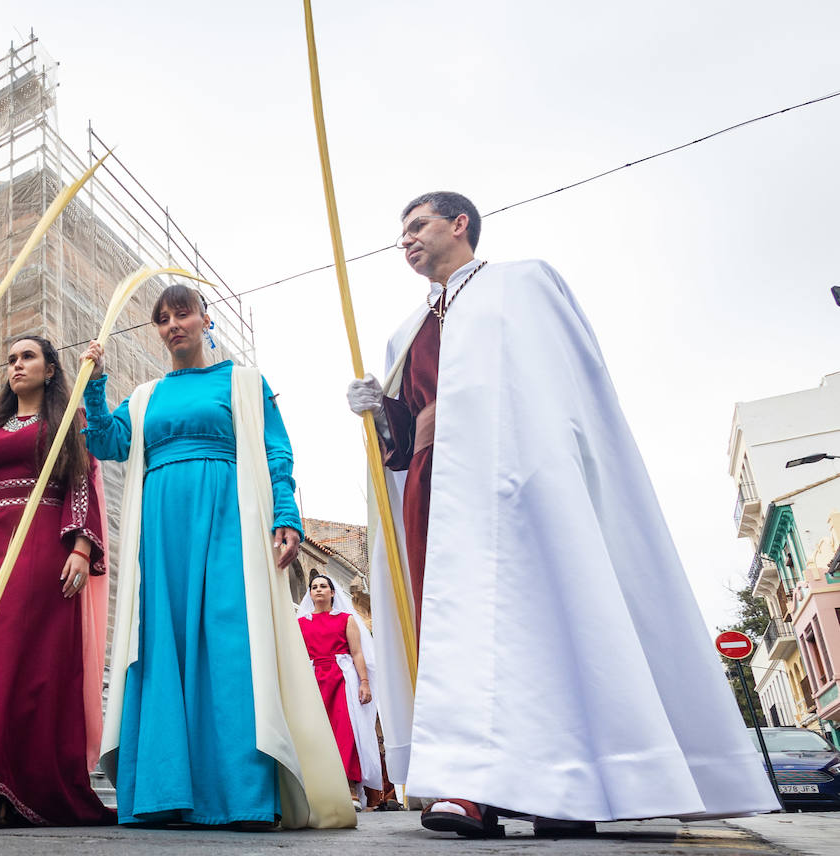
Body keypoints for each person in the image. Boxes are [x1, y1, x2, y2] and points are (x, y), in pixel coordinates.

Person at [346, 191, 780, 837]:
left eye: (418, 225)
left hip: (517, 478)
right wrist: (380, 409)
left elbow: (561, 389)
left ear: (459, 224)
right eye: (400, 232)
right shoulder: (403, 331)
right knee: (454, 628)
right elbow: (403, 442)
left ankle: (570, 782)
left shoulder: (522, 285)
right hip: (436, 488)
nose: (405, 239)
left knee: (541, 619)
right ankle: (472, 785)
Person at [81, 284, 354, 830]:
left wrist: (286, 515)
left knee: (230, 640)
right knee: (162, 643)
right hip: (159, 533)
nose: (172, 325)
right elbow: (108, 443)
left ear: (205, 319)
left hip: (229, 521)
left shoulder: (244, 382)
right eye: (162, 319)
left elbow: (277, 450)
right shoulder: (144, 396)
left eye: (182, 313)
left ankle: (240, 795)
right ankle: (163, 793)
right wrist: (94, 386)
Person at [0, 336, 115, 827]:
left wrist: (80, 546)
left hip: (40, 544)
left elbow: (80, 476)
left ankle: (1, 786)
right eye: (10, 359)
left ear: (51, 369)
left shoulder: (63, 420)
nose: (16, 365)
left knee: (22, 662)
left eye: (27, 356)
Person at [296, 572, 384, 810]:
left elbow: (357, 653)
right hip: (313, 679)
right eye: (314, 587)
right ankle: (322, 790)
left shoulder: (346, 619)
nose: (318, 590)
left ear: (333, 592)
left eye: (323, 586)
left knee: (346, 730)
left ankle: (350, 789)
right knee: (317, 733)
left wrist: (364, 681)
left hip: (342, 678)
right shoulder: (301, 623)